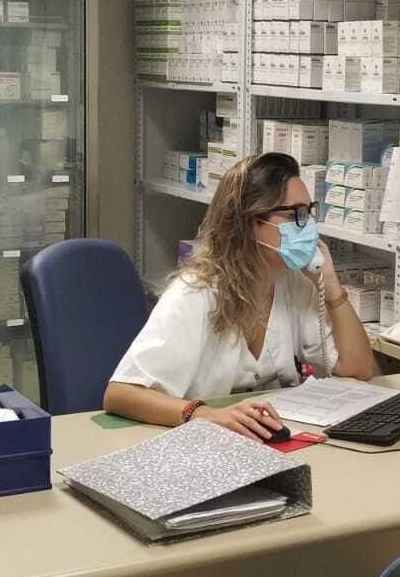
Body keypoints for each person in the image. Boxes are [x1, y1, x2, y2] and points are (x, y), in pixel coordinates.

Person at [104, 152, 375, 439]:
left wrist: (330, 283)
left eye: (308, 212)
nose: (307, 227)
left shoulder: (294, 284)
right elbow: (120, 394)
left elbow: (357, 370)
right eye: (294, 214)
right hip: (200, 448)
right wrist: (205, 415)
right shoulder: (196, 293)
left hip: (269, 443)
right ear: (249, 223)